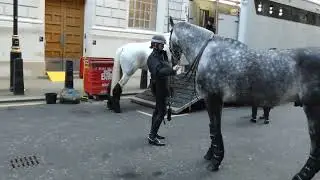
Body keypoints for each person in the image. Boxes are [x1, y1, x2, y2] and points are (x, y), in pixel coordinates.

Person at [147, 34, 179, 146]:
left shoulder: (162, 55)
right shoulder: (152, 58)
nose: (163, 46)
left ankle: (153, 133)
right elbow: (159, 72)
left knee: (157, 110)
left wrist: (172, 70)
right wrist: (172, 70)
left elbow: (165, 68)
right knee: (162, 111)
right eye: (161, 44)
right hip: (158, 86)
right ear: (155, 45)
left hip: (164, 85)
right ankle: (152, 136)